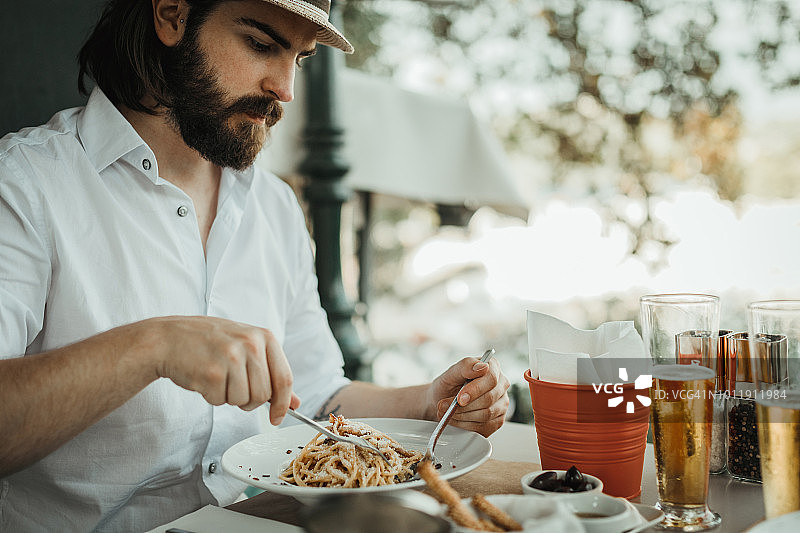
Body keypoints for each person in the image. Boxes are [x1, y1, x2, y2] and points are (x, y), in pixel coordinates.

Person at [0, 0, 510, 531]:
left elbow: (314, 395)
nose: (285, 89)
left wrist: (427, 403)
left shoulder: (274, 205)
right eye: (261, 45)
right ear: (173, 15)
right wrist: (152, 346)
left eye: (300, 58)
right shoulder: (24, 186)